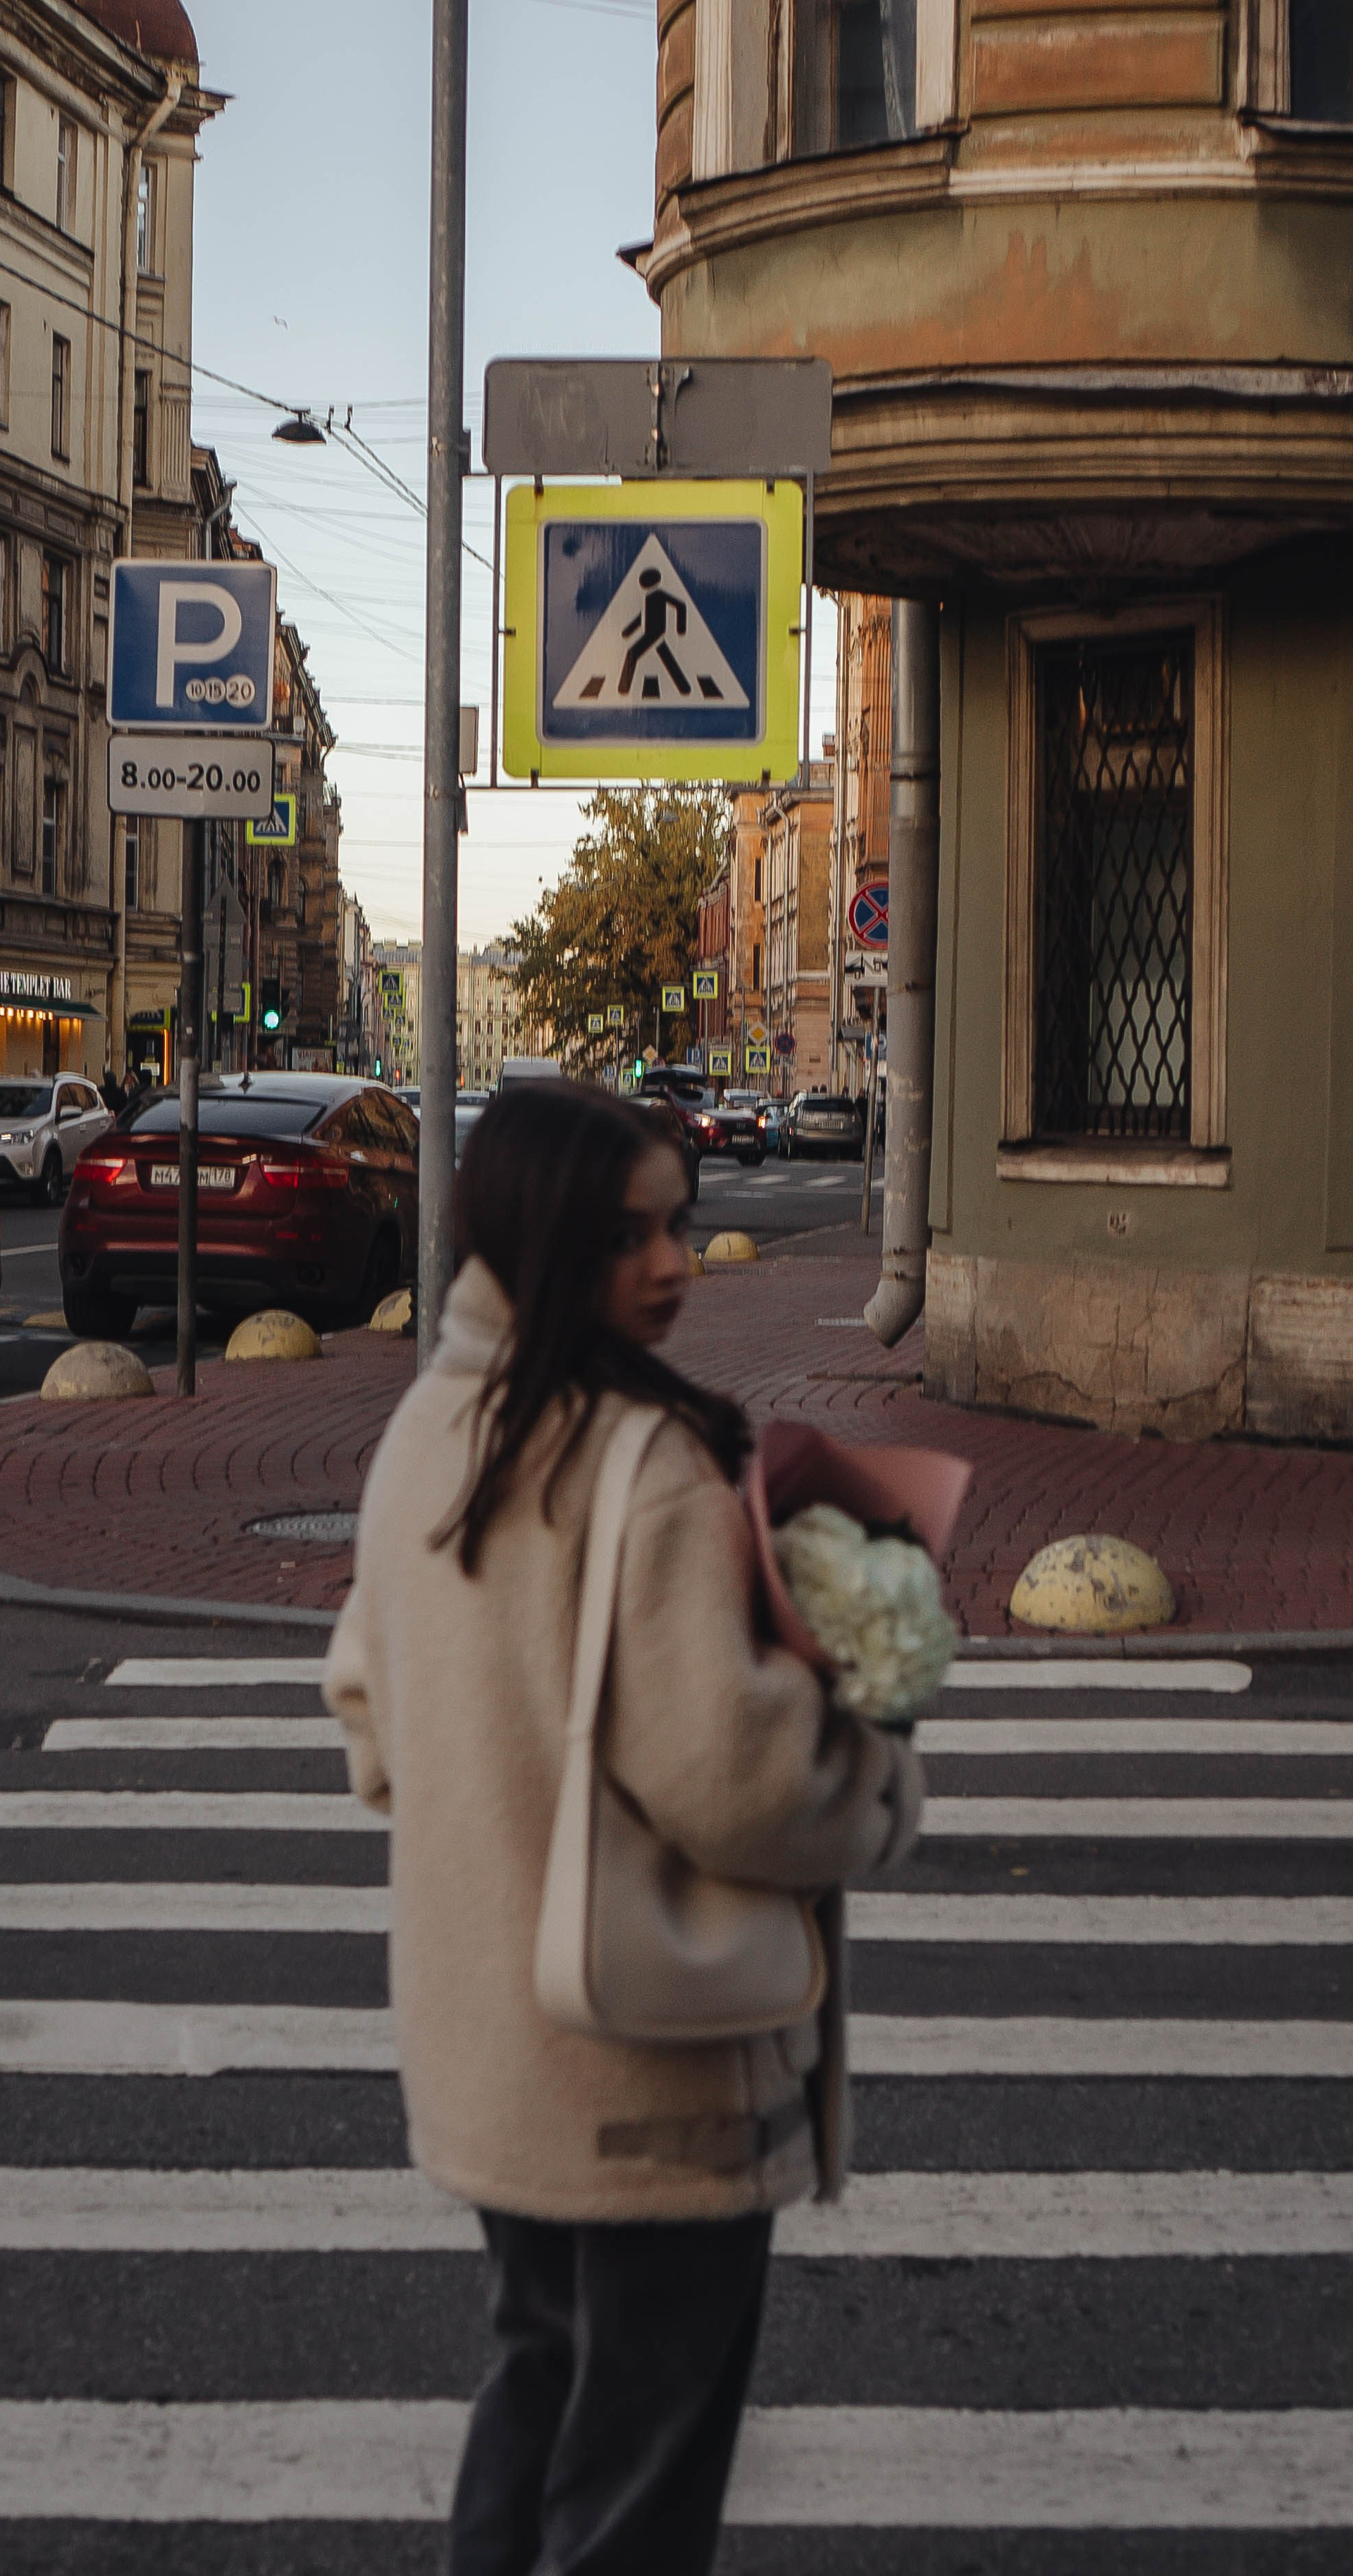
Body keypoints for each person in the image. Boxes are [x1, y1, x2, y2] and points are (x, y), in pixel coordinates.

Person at [324, 1085, 922, 2576]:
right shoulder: (636, 1461)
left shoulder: (430, 1426)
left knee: (535, 2376)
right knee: (639, 2476)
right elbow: (732, 1777)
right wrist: (872, 1762)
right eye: (629, 1234)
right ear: (544, 1239)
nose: (669, 1264)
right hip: (646, 2062)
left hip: (488, 2048)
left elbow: (359, 1693)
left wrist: (487, 1813)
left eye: (679, 1225)